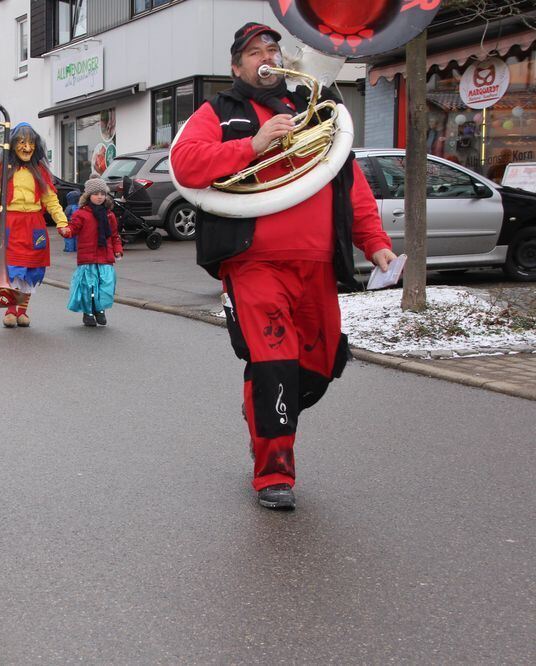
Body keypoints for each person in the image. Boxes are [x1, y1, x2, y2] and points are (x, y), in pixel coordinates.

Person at [169, 22, 397, 511]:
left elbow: (348, 182)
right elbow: (186, 164)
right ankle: (274, 473)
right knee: (274, 364)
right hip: (255, 262)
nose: (266, 56)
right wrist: (253, 145)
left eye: (272, 48)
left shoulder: (314, 112)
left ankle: (261, 413)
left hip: (316, 264)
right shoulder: (219, 111)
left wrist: (374, 242)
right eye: (254, 52)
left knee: (317, 366)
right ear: (236, 66)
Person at [0, 123, 68, 328]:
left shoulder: (40, 172)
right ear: (13, 145)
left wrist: (62, 222)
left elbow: (51, 200)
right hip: (9, 224)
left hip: (34, 226)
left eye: (31, 143)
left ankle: (23, 312)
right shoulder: (2, 171)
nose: (27, 147)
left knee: (31, 271)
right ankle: (10, 310)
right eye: (22, 142)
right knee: (10, 270)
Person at [59, 178, 123, 326]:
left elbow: (114, 235)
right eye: (96, 194)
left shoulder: (109, 215)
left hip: (105, 256)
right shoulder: (81, 214)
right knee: (88, 287)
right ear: (88, 196)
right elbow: (73, 228)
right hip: (87, 257)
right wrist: (66, 231)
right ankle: (88, 312)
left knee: (105, 285)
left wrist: (118, 249)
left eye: (102, 193)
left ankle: (100, 310)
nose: (100, 197)